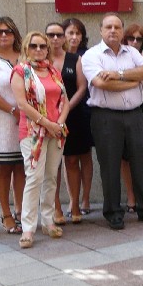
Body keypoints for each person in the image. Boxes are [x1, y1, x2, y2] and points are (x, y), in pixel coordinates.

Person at [82, 13, 143, 230]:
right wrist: (132, 81)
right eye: (108, 27)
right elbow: (100, 83)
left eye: (117, 27)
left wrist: (117, 74)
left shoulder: (132, 52)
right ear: (100, 30)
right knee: (110, 166)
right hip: (106, 117)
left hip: (134, 115)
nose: (113, 31)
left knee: (141, 163)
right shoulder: (92, 55)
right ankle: (114, 213)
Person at [10, 31, 70, 248]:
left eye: (42, 46)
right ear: (27, 48)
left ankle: (48, 220)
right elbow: (23, 105)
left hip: (56, 132)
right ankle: (27, 228)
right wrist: (49, 124)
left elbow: (65, 100)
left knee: (51, 177)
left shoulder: (53, 71)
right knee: (34, 178)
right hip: (33, 133)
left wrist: (60, 125)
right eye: (34, 46)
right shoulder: (21, 71)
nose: (38, 50)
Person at [45, 22, 91, 224]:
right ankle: (56, 208)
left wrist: (65, 110)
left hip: (73, 115)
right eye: (51, 35)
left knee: (72, 160)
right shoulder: (39, 60)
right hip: (46, 119)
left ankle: (74, 205)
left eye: (58, 35)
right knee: (51, 165)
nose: (55, 39)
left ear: (63, 38)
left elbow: (82, 87)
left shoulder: (75, 59)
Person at [0, 17, 26, 234]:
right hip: (1, 118)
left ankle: (20, 211)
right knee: (5, 166)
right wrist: (12, 110)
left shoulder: (24, 56)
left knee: (21, 165)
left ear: (14, 34)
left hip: (25, 118)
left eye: (8, 31)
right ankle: (6, 214)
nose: (3, 35)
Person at [122, 23, 143, 213]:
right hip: (125, 108)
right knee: (125, 156)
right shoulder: (120, 58)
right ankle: (131, 196)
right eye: (131, 38)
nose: (135, 42)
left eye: (139, 39)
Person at [62, 17, 93, 214]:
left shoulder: (88, 56)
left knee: (85, 155)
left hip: (83, 110)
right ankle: (72, 200)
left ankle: (86, 199)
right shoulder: (56, 56)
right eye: (70, 33)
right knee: (69, 159)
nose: (74, 37)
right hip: (62, 115)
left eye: (78, 33)